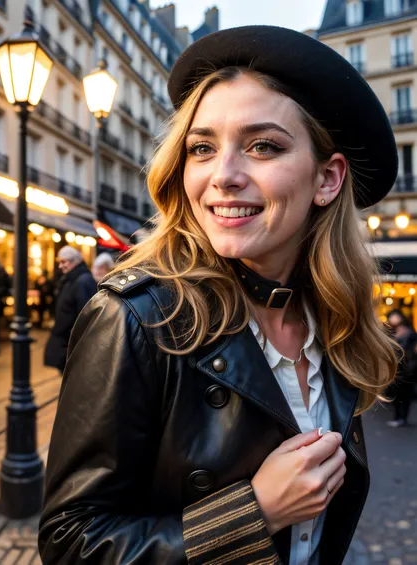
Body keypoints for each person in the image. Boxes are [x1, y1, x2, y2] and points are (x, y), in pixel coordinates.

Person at [38, 26, 398, 565]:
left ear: (327, 179)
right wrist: (253, 512)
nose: (223, 175)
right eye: (202, 148)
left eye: (263, 146)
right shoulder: (135, 317)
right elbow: (68, 541)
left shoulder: (333, 321)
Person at [44, 246, 97, 372]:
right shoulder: (72, 279)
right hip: (67, 341)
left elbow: (84, 315)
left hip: (72, 343)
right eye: (59, 262)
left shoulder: (82, 281)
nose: (60, 266)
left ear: (75, 261)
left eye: (64, 262)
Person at [386, 309, 417, 427]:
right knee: (397, 393)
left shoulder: (410, 333)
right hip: (397, 368)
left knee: (405, 394)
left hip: (408, 368)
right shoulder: (392, 331)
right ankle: (398, 417)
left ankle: (401, 418)